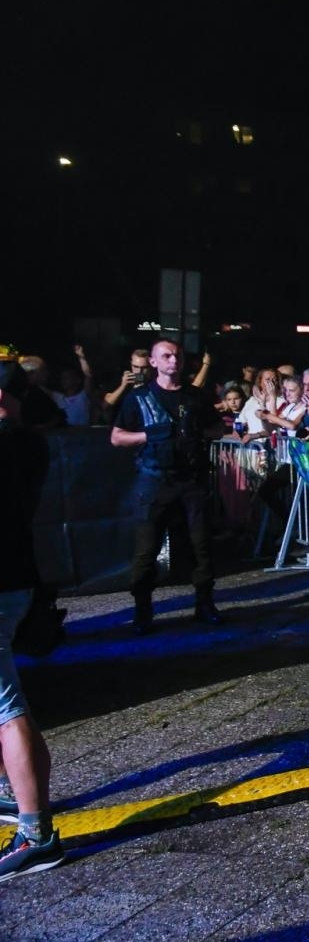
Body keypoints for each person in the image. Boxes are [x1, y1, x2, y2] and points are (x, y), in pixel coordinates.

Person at [110, 340, 227, 632]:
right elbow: (117, 437)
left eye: (177, 355)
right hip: (154, 480)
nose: (173, 360)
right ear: (153, 361)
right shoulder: (139, 398)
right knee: (146, 550)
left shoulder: (195, 396)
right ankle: (143, 610)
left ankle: (204, 604)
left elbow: (218, 428)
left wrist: (201, 432)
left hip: (191, 479)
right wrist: (148, 436)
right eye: (166, 356)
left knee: (201, 545)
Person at [0, 361, 63, 880]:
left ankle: (36, 833)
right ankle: (14, 798)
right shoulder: (27, 445)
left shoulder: (8, 447)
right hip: (15, 579)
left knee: (6, 705)